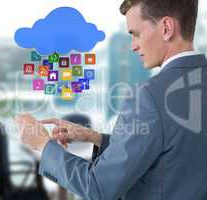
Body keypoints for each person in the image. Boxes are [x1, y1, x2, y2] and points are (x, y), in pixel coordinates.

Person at [16, 0, 207, 199]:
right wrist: (95, 138)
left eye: (136, 34)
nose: (133, 46)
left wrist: (44, 145)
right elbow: (176, 152)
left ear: (166, 28)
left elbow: (98, 187)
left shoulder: (148, 96)